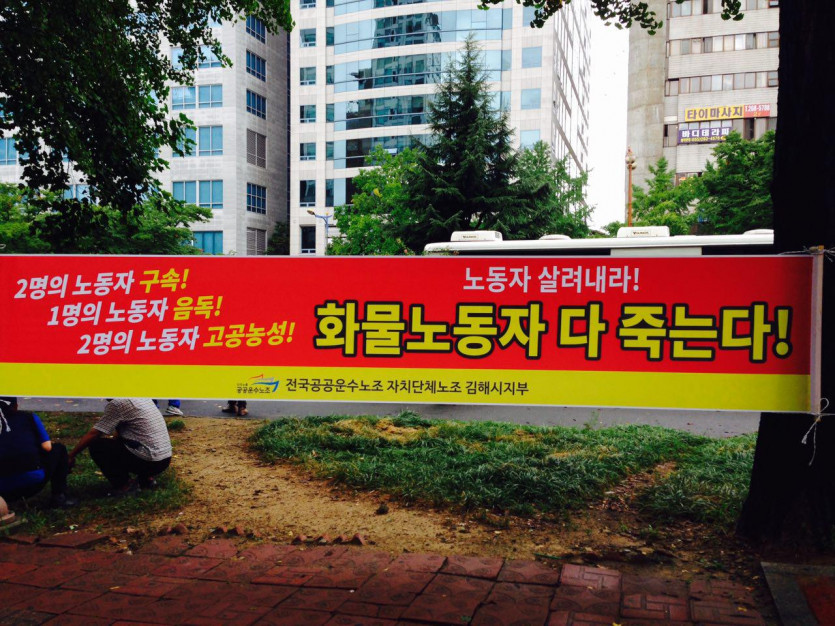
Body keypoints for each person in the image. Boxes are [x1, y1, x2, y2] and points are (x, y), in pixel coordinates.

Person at [69, 398, 172, 494]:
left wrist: (71, 455)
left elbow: (95, 433)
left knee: (97, 445)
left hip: (149, 461)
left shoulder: (118, 403)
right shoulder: (141, 397)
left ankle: (125, 486)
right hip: (164, 459)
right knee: (128, 441)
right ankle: (146, 479)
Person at [0, 397, 76, 508]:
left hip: (2, 492)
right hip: (32, 482)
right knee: (59, 449)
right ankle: (59, 497)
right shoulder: (29, 417)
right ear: (16, 406)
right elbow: (47, 447)